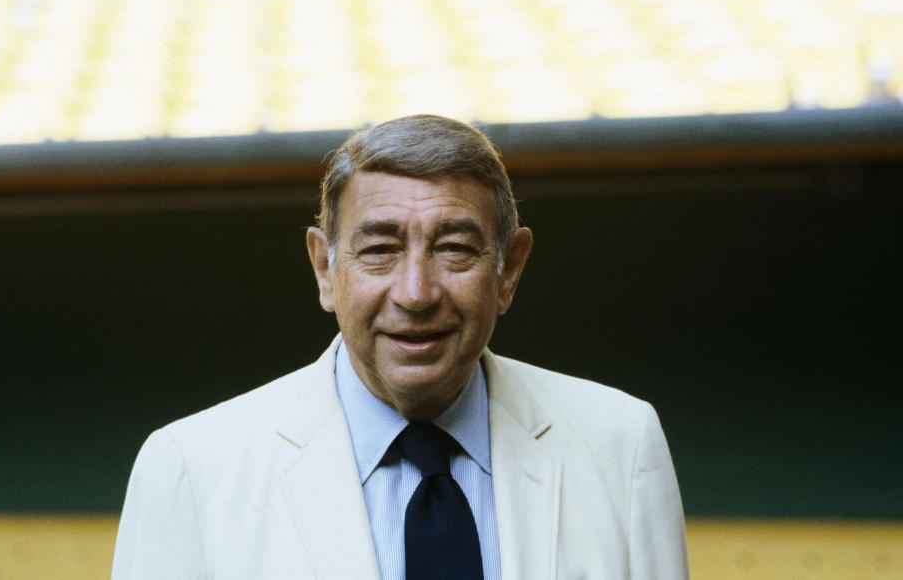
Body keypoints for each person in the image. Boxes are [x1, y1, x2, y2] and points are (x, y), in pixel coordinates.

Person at [112, 114, 689, 579]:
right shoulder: (190, 469)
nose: (416, 293)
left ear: (508, 270)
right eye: (380, 249)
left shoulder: (622, 446)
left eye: (454, 248)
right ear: (323, 268)